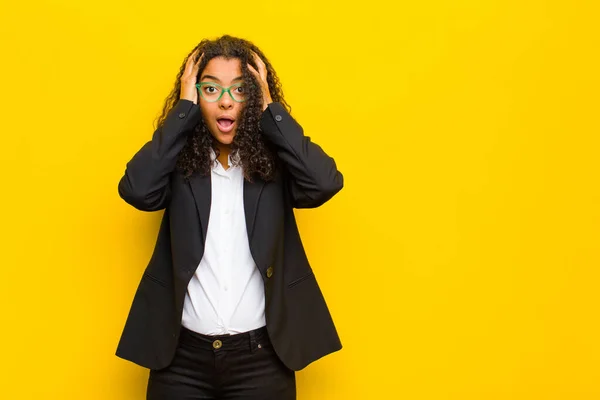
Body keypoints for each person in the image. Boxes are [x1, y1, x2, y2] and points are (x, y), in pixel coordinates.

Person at [115, 34, 344, 400]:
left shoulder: (275, 166)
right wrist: (182, 113)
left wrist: (273, 111)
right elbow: (136, 190)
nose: (225, 101)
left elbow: (325, 182)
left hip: (261, 362)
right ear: (195, 97)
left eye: (240, 90)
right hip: (180, 362)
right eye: (210, 89)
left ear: (254, 99)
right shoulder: (177, 166)